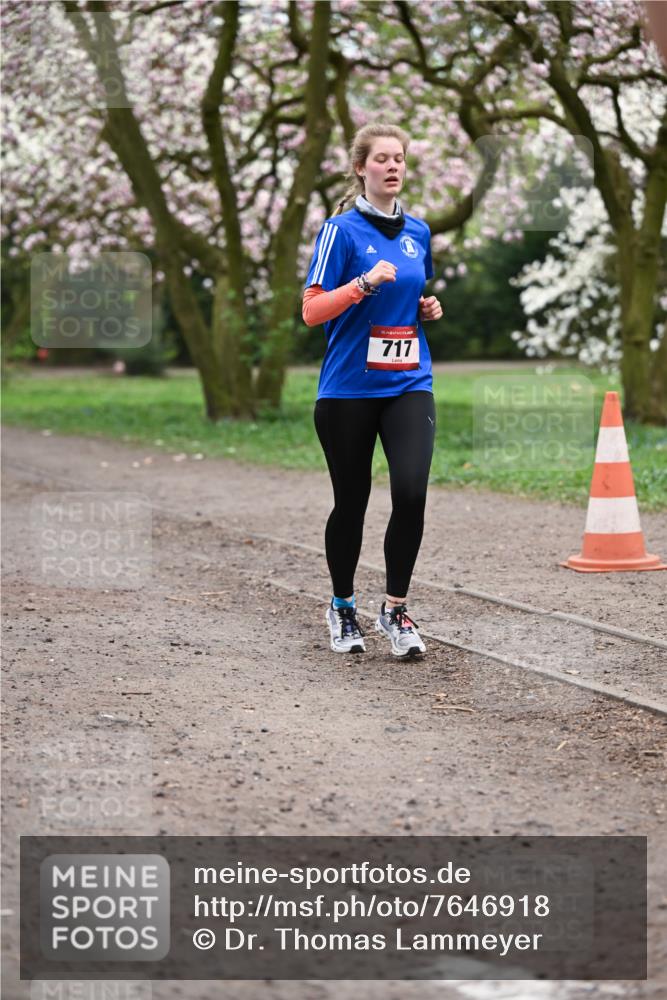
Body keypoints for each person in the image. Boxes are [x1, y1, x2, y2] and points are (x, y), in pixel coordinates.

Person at [302, 123, 443, 658]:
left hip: (409, 382)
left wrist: (425, 309)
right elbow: (312, 311)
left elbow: (409, 297)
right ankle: (342, 607)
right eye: (382, 158)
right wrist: (362, 284)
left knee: (411, 493)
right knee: (352, 501)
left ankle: (395, 610)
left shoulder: (419, 232)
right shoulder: (339, 232)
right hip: (348, 390)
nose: (393, 166)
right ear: (361, 168)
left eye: (399, 158)